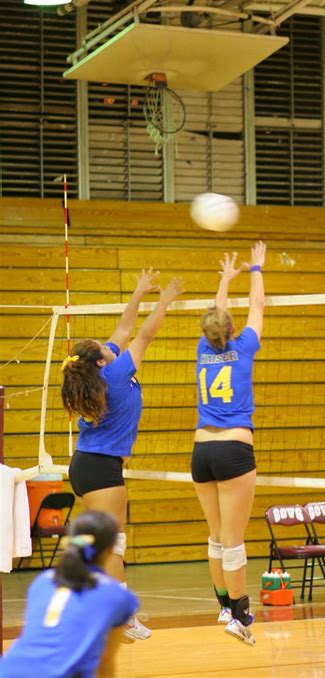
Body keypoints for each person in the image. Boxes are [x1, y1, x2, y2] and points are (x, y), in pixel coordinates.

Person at [61, 270, 183, 641]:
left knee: (103, 543)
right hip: (100, 469)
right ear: (102, 360)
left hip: (88, 466)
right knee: (114, 543)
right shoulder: (114, 373)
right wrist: (165, 300)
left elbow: (125, 327)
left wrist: (138, 291)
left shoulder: (103, 371)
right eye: (106, 345)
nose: (113, 342)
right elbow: (144, 333)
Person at [191, 242, 266, 647]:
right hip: (234, 448)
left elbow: (217, 315)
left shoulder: (204, 348)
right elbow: (258, 303)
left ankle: (223, 605)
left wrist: (225, 277)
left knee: (217, 536)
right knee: (234, 539)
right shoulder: (244, 347)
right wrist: (256, 267)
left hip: (201, 451)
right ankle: (240, 616)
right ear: (231, 330)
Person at [0, 511, 138, 678]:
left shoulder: (43, 581)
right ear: (111, 548)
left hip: (10, 670)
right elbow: (104, 662)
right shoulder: (116, 595)